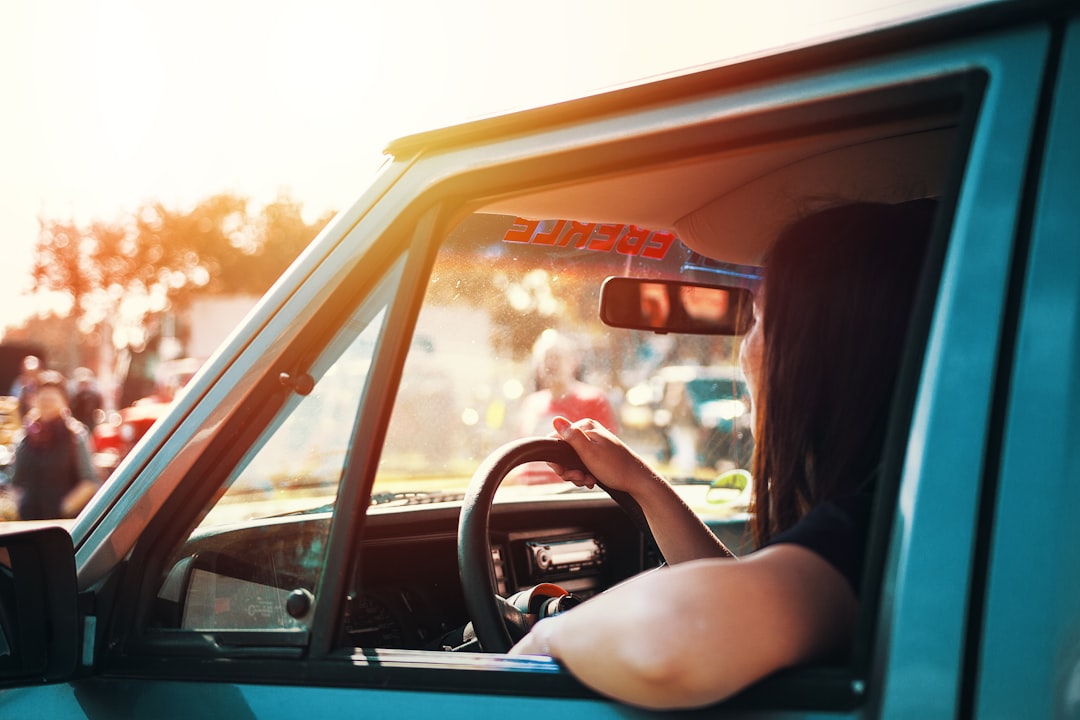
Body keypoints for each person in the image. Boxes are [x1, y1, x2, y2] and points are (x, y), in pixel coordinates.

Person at [508, 200, 936, 709]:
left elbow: (671, 639)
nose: (743, 348)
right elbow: (746, 600)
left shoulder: (862, 530)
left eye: (756, 320)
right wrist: (641, 482)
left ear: (818, 353)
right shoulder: (906, 510)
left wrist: (542, 639)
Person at [512, 330, 618, 484]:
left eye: (556, 357)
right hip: (530, 491)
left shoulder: (593, 399)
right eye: (545, 358)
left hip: (570, 492)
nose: (550, 364)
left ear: (573, 362)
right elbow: (521, 456)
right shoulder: (532, 403)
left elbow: (609, 457)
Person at [12, 370, 100, 520]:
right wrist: (20, 507)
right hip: (28, 523)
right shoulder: (25, 436)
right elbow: (16, 482)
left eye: (52, 397)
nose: (46, 400)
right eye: (43, 396)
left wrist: (63, 508)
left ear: (64, 401)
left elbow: (89, 482)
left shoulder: (75, 435)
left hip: (61, 525)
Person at [69, 367, 105, 431]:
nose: (84, 387)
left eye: (86, 384)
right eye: (81, 384)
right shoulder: (74, 397)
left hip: (91, 422)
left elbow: (98, 408)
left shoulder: (94, 396)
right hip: (78, 423)